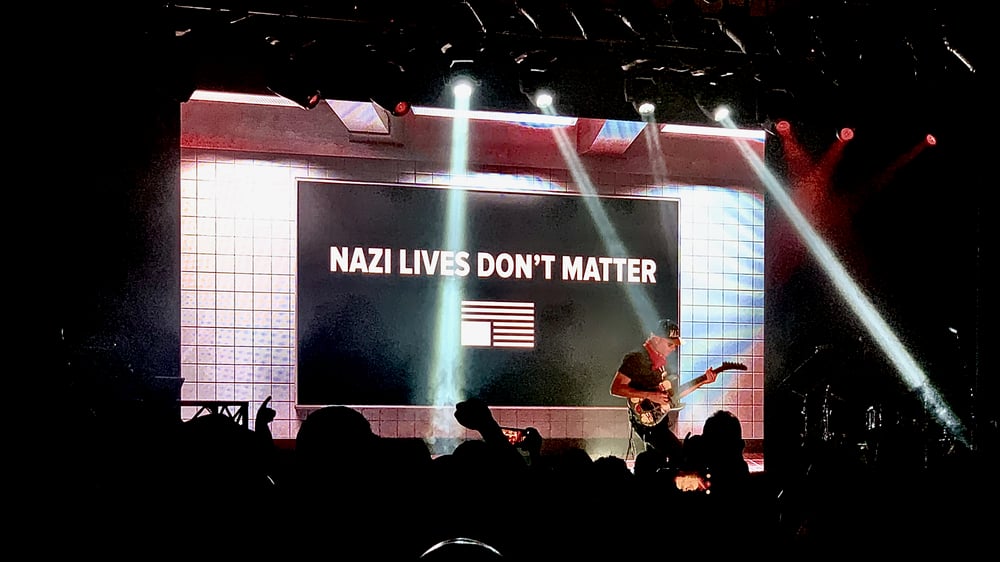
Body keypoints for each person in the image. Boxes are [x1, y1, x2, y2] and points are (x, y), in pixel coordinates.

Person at [610, 319, 717, 462]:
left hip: (659, 421)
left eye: (675, 345)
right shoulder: (636, 358)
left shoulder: (660, 363)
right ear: (656, 339)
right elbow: (616, 388)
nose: (673, 348)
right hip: (646, 422)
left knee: (657, 462)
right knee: (679, 456)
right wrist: (649, 395)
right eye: (670, 344)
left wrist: (703, 380)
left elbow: (673, 396)